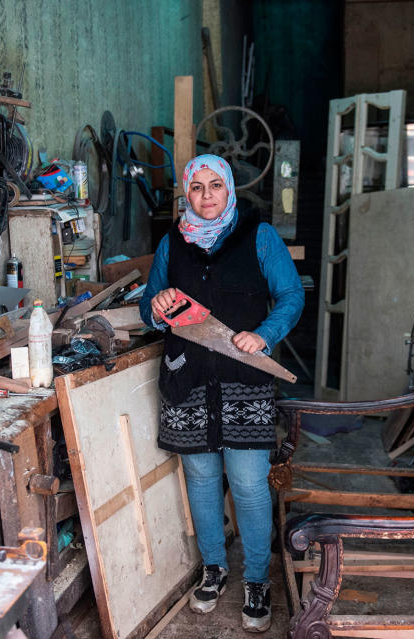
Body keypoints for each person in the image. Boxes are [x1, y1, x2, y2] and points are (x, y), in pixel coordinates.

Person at [140, 154, 304, 633]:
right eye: (197, 187)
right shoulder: (173, 241)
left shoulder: (260, 236)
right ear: (185, 194)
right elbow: (153, 309)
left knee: (251, 485)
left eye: (215, 185)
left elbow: (291, 296)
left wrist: (266, 334)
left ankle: (256, 578)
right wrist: (157, 304)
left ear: (230, 190)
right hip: (187, 380)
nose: (206, 195)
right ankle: (214, 568)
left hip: (245, 380)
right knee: (202, 478)